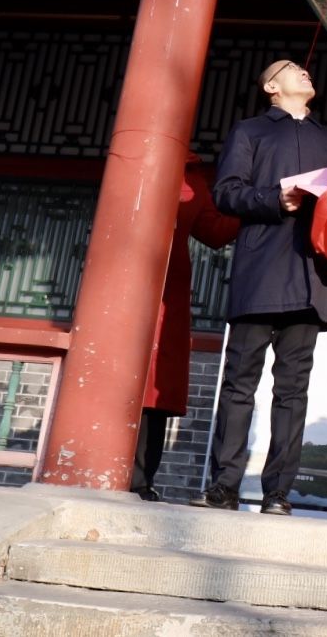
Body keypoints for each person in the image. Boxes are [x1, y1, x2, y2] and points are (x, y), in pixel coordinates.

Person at [192, 59, 327, 515]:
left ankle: (277, 493)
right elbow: (225, 193)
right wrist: (274, 197)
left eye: (307, 69)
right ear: (271, 86)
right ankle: (223, 485)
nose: (305, 72)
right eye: (293, 69)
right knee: (240, 383)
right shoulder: (251, 132)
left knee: (292, 390)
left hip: (311, 274)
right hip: (260, 269)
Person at [133, 152, 239, 501]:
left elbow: (215, 230)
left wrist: (258, 199)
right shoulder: (134, 158)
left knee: (158, 387)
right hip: (126, 282)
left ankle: (142, 477)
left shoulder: (193, 176)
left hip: (172, 289)